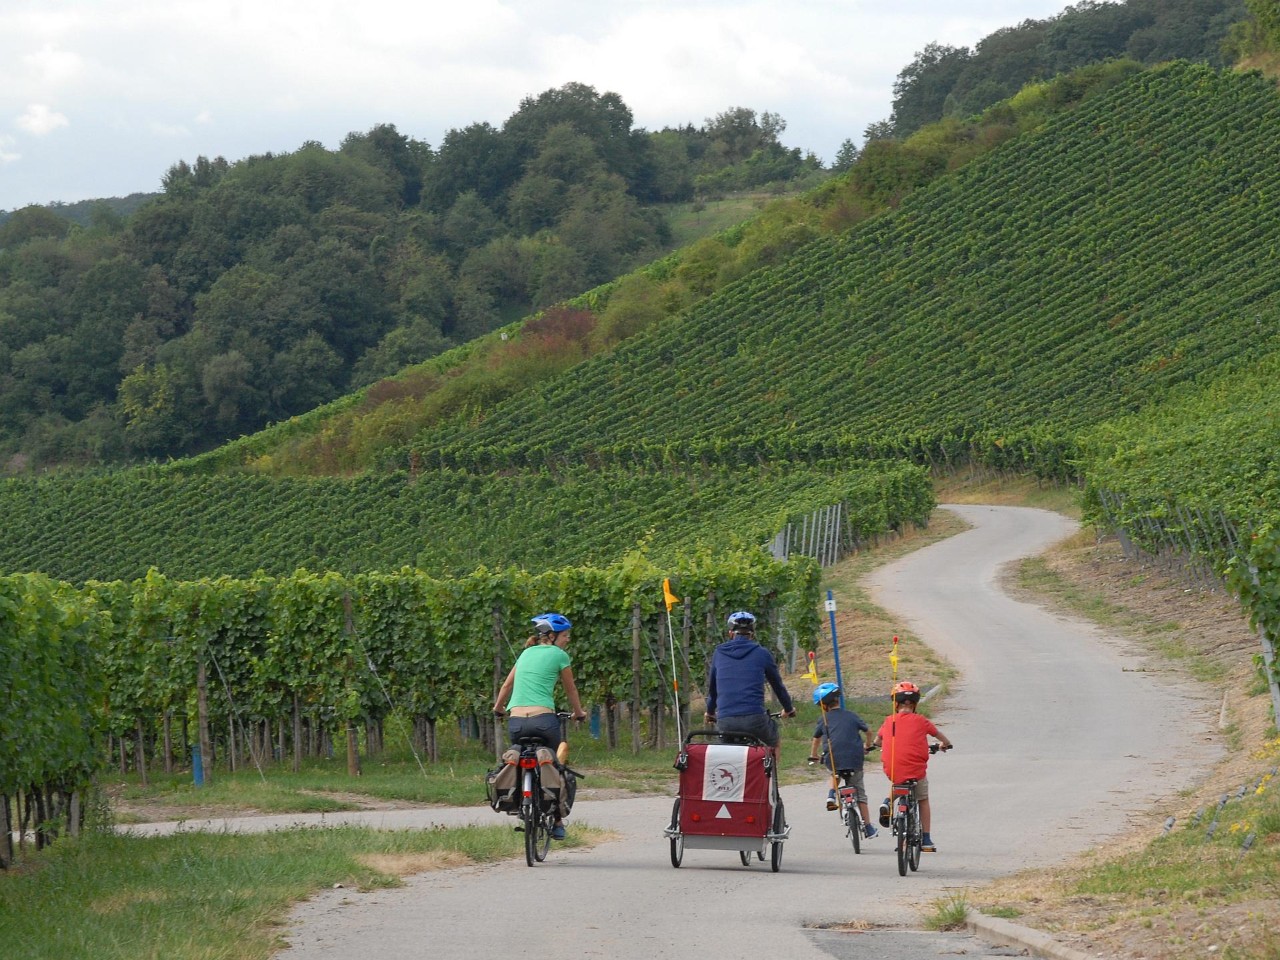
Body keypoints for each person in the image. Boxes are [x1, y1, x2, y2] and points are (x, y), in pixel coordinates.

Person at [492, 613, 588, 839]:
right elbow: (571, 689)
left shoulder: (525, 653)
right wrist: (579, 713)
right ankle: (556, 820)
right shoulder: (559, 655)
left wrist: (498, 708)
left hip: (516, 722)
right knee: (555, 764)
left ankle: (519, 801)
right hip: (543, 721)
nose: (568, 640)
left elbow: (506, 685)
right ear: (552, 636)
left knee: (519, 755)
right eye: (565, 635)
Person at [868, 680, 952, 852]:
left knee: (899, 781)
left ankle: (887, 802)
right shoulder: (922, 721)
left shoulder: (888, 721)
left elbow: (877, 741)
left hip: (893, 769)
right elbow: (941, 737)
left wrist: (875, 745)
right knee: (923, 799)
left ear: (896, 704)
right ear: (914, 705)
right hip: (916, 772)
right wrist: (945, 744)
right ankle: (926, 839)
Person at [703, 610, 796, 753]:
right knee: (774, 743)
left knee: (724, 753)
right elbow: (778, 686)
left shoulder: (719, 653)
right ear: (752, 634)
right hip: (755, 720)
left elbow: (713, 691)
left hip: (726, 721)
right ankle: (770, 774)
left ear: (730, 633)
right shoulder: (762, 653)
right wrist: (788, 709)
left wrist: (710, 712)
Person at [807, 681, 877, 838]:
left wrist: (814, 755)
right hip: (855, 758)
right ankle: (868, 828)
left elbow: (816, 739)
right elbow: (869, 731)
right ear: (837, 700)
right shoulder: (851, 716)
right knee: (860, 794)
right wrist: (867, 745)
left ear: (823, 706)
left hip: (834, 759)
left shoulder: (823, 720)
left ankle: (831, 794)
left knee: (835, 771)